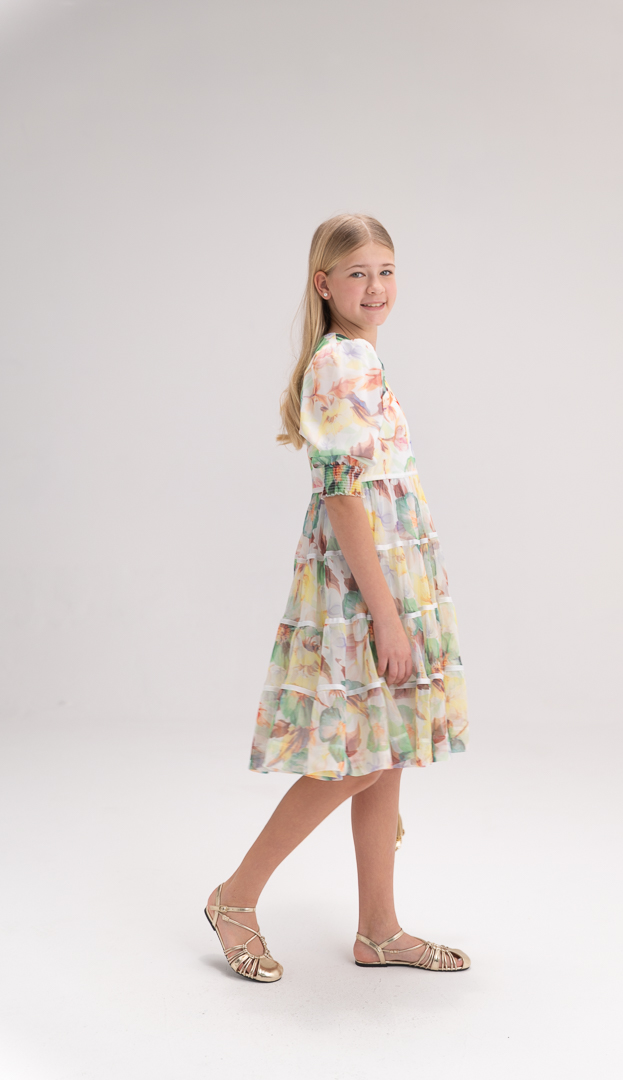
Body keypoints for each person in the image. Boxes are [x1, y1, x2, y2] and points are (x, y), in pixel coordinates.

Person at [205, 213, 470, 982]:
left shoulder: (359, 356)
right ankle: (234, 897)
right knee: (354, 757)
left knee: (384, 754)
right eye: (358, 273)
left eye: (385, 271)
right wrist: (386, 616)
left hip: (387, 574)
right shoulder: (340, 362)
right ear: (324, 285)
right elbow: (345, 498)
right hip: (362, 586)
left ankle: (378, 930)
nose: (375, 287)